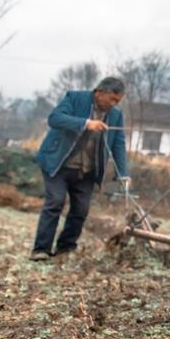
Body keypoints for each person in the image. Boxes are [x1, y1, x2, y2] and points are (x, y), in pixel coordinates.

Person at [30, 77, 131, 260]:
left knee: (81, 210)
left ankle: (65, 249)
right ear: (100, 92)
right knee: (55, 202)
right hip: (58, 164)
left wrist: (122, 173)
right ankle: (41, 249)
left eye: (117, 101)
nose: (114, 104)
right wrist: (85, 123)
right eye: (112, 99)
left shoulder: (115, 115)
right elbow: (55, 119)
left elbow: (118, 143)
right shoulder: (75, 98)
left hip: (86, 170)